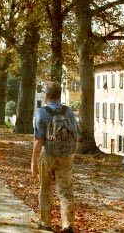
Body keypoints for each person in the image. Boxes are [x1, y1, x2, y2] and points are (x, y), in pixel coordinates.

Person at [32, 81, 79, 233]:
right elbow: (76, 136)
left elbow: (38, 141)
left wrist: (33, 162)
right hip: (66, 155)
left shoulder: (41, 112)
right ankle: (68, 224)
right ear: (59, 95)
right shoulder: (69, 111)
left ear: (46, 95)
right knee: (65, 190)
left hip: (48, 153)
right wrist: (71, 154)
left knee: (45, 188)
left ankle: (45, 222)